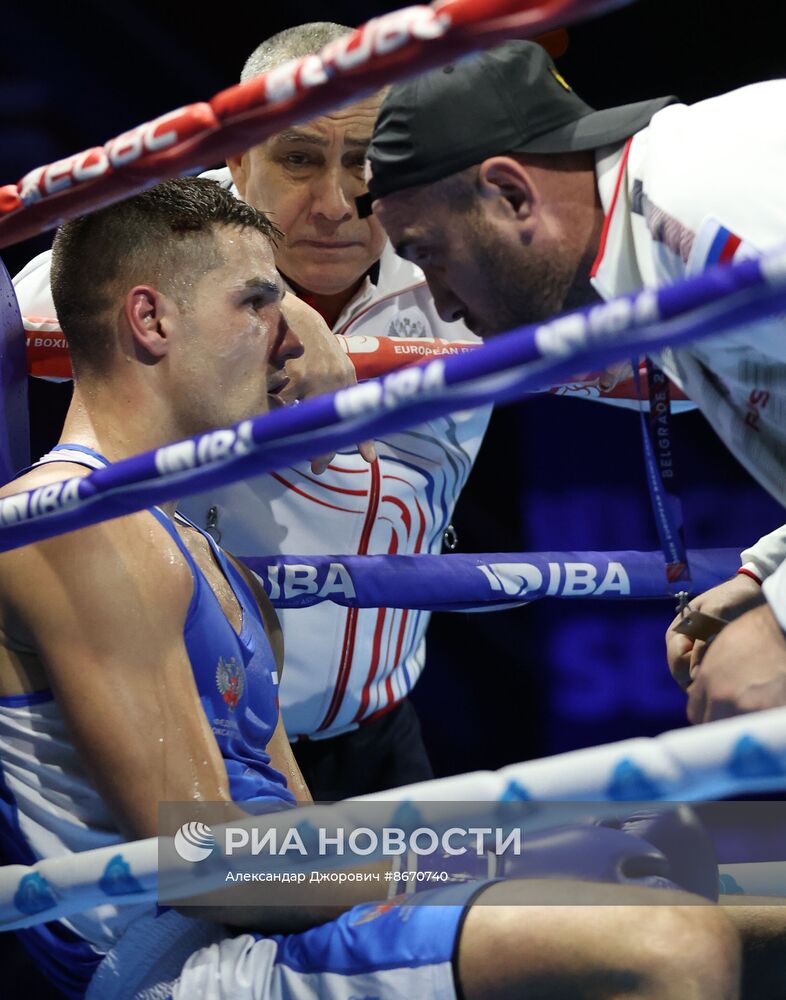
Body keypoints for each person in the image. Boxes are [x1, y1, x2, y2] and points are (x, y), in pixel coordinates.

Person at [0, 177, 740, 1000]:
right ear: (150, 319)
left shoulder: (210, 559)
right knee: (666, 936)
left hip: (271, 922)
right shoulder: (69, 520)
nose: (290, 342)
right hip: (181, 962)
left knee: (750, 873)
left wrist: (541, 839)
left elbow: (288, 830)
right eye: (256, 303)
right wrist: (492, 851)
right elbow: (204, 864)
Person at [13, 22, 491, 800]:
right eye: (299, 159)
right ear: (237, 157)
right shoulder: (169, 239)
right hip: (193, 739)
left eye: (364, 160)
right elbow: (41, 298)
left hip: (382, 734)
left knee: (621, 879)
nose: (336, 203)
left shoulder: (456, 246)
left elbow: (623, 338)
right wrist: (273, 304)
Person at [364, 40, 786, 725]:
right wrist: (766, 574)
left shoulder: (703, 201)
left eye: (429, 253)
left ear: (509, 194)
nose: (438, 302)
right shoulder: (652, 245)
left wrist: (780, 624)